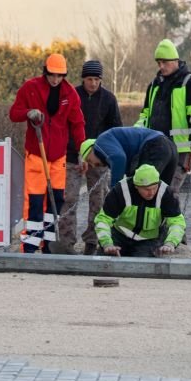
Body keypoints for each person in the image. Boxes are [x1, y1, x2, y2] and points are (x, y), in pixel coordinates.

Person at [9, 53, 86, 253]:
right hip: (36, 153)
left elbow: (77, 124)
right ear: (46, 72)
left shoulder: (70, 94)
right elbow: (14, 113)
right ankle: (30, 245)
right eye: (52, 75)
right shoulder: (31, 88)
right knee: (35, 200)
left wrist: (82, 151)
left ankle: (49, 245)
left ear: (64, 76)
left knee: (56, 199)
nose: (55, 79)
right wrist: (28, 112)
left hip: (58, 156)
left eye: (59, 76)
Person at [61, 59, 122, 255]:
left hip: (99, 158)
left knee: (99, 200)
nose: (93, 83)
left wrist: (106, 154)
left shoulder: (109, 100)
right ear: (83, 79)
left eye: (96, 79)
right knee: (69, 198)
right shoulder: (72, 95)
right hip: (72, 156)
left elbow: (116, 129)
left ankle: (92, 240)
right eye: (89, 79)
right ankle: (66, 241)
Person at [134, 39, 191, 195]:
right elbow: (145, 114)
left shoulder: (189, 83)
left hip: (180, 150)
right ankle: (158, 220)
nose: (161, 67)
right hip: (155, 148)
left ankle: (171, 220)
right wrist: (135, 133)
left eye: (164, 62)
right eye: (158, 63)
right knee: (152, 191)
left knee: (168, 193)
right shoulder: (154, 85)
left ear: (175, 60)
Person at [94, 164, 186, 258]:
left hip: (149, 240)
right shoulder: (121, 190)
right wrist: (107, 243)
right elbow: (103, 219)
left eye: (155, 188)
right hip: (119, 236)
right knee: (104, 260)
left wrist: (170, 243)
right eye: (147, 189)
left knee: (142, 266)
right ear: (136, 186)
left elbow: (177, 222)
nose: (151, 192)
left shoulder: (166, 193)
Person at [79, 126, 177, 189]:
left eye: (89, 160)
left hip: (155, 146)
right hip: (169, 146)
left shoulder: (100, 143)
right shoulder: (112, 141)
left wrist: (115, 190)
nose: (93, 165)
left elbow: (118, 158)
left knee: (142, 188)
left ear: (91, 148)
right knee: (161, 193)